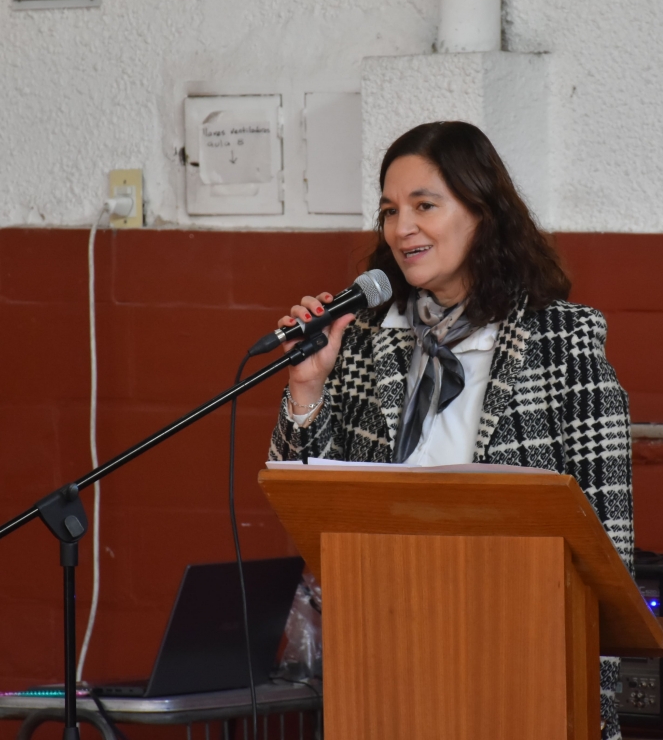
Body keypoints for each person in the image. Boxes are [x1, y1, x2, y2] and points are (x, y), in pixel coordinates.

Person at [267, 121, 635, 740]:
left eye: (424, 206)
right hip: (386, 658)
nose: (401, 226)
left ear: (483, 213)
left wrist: (587, 700)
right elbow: (314, 508)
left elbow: (608, 543)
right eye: (389, 210)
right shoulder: (362, 340)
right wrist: (306, 386)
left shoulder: (562, 341)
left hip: (521, 661)